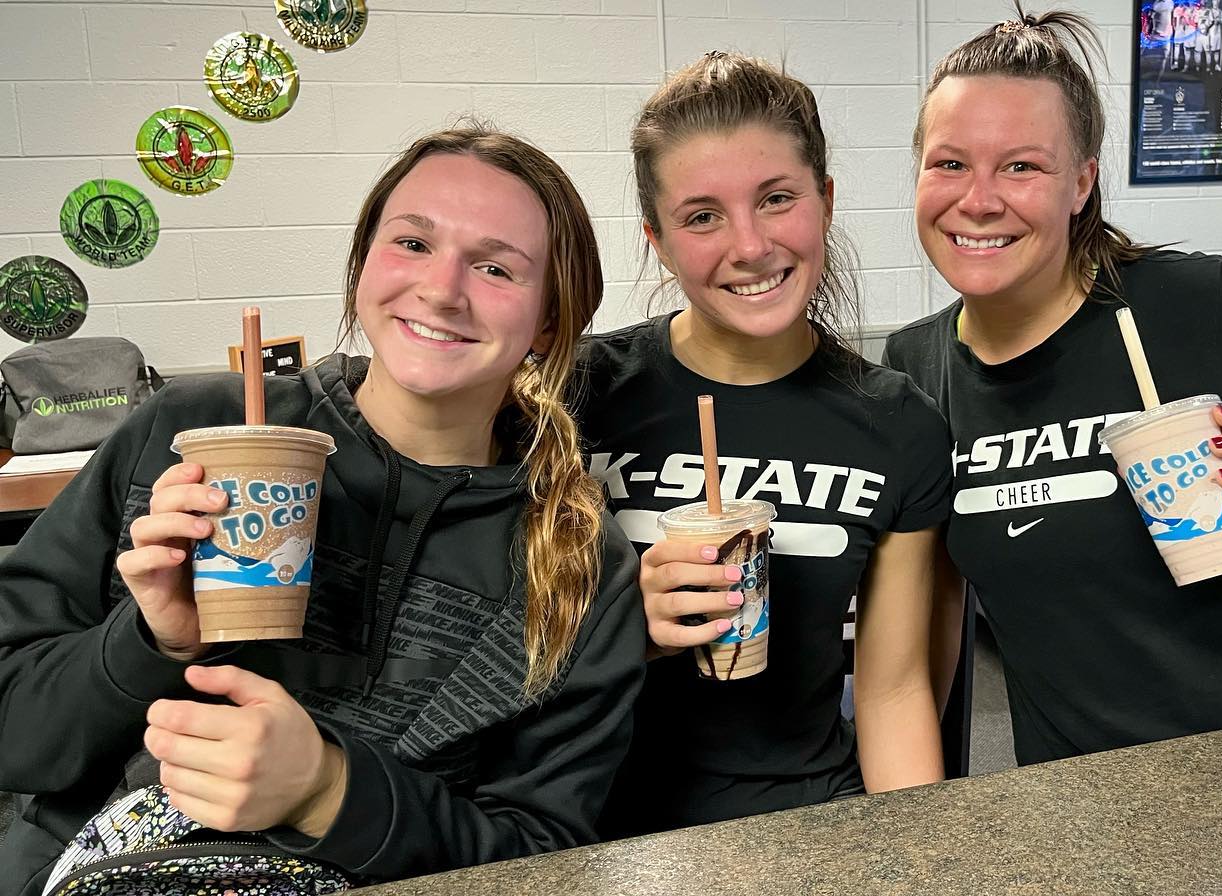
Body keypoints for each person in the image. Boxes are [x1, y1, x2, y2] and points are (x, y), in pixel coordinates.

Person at [0, 124, 645, 894]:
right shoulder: (183, 434)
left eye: (496, 267)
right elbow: (14, 735)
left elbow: (546, 864)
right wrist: (151, 641)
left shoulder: (584, 567)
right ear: (363, 262)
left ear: (549, 321)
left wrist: (329, 791)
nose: (442, 289)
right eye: (412, 243)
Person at [884, 6, 1222, 768]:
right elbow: (925, 628)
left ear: (1081, 183)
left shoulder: (1202, 305)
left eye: (1022, 166)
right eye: (949, 163)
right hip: (1105, 789)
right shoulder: (916, 370)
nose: (978, 199)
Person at [575, 52, 949, 836]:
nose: (749, 245)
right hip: (596, 832)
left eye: (776, 199)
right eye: (702, 216)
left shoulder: (898, 425)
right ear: (657, 239)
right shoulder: (576, 398)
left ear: (825, 201)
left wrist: (921, 854)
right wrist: (620, 628)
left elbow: (891, 691)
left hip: (805, 823)